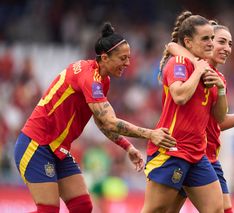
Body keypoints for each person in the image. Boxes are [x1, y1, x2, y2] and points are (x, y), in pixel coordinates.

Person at [13, 22, 176, 213]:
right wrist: (151, 134)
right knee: (48, 210)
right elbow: (109, 121)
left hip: (57, 148)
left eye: (129, 58)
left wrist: (127, 146)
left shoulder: (102, 80)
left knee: (82, 206)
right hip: (37, 145)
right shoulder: (89, 77)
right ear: (105, 57)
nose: (128, 63)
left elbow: (101, 122)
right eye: (123, 58)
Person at [166, 22, 234, 213]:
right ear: (208, 42)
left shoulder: (219, 79)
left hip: (207, 156)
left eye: (230, 44)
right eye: (221, 41)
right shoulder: (189, 67)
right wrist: (199, 66)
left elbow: (218, 122)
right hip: (189, 154)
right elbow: (172, 46)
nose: (227, 49)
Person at [142, 11, 227, 213]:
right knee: (157, 210)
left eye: (212, 39)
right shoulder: (179, 62)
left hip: (197, 154)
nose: (211, 43)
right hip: (172, 148)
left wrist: (221, 90)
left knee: (216, 209)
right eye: (205, 38)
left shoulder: (214, 75)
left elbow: (220, 118)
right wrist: (198, 71)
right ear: (188, 42)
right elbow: (179, 96)